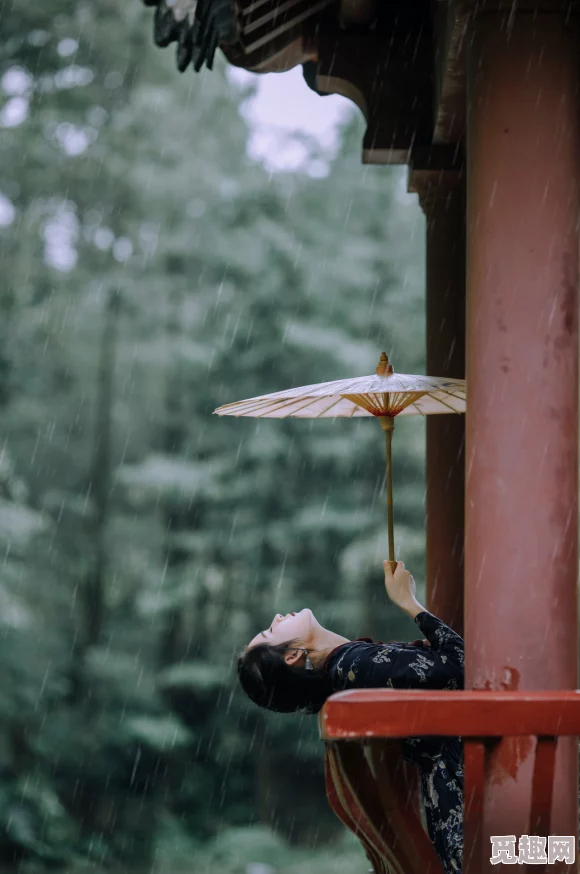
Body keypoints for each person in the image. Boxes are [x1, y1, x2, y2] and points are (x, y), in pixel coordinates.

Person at [237, 561, 465, 874]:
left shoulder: (347, 672)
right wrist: (408, 602)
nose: (277, 617)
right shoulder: (355, 667)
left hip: (456, 802)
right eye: (271, 631)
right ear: (291, 656)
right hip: (472, 800)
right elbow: (464, 666)